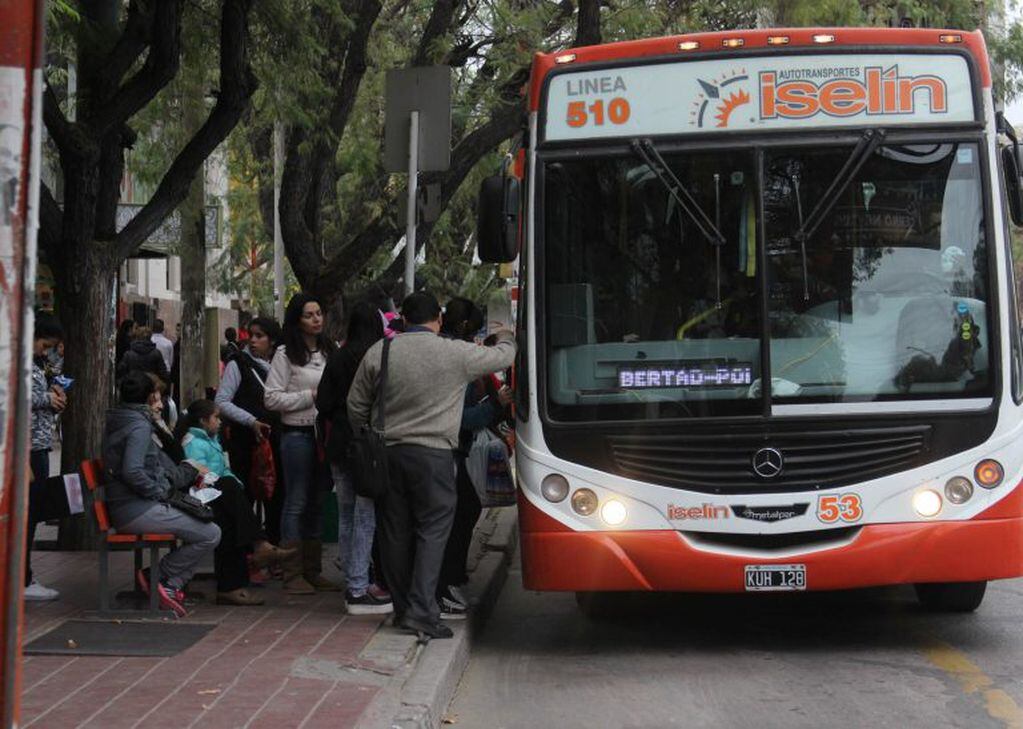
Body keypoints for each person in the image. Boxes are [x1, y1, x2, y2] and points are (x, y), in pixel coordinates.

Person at [348, 291, 516, 639]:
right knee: (433, 531)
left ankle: (403, 609)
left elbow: (355, 405)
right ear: (438, 320)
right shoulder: (453, 352)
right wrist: (506, 335)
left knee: (393, 532)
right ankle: (424, 611)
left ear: (404, 320)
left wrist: (373, 433)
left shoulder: (382, 350)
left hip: (389, 453)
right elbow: (504, 356)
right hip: (434, 456)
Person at [101, 371, 221, 617]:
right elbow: (133, 471)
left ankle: (163, 579)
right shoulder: (138, 426)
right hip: (136, 508)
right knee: (210, 533)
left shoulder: (122, 419)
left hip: (128, 505)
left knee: (202, 524)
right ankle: (163, 580)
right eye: (156, 397)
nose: (161, 403)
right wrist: (158, 493)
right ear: (148, 398)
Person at [435, 299, 514, 619]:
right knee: (456, 513)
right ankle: (444, 583)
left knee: (462, 509)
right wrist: (494, 404)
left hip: (446, 448)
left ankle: (449, 577)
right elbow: (461, 417)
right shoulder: (459, 357)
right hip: (443, 448)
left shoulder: (446, 351)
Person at [176, 399, 295, 605]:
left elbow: (224, 469)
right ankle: (257, 547)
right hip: (200, 497)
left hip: (216, 495)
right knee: (229, 511)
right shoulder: (193, 443)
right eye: (216, 418)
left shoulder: (212, 440)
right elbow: (197, 474)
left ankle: (237, 581)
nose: (220, 422)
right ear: (204, 421)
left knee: (233, 512)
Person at [316, 302, 392, 614]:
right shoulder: (379, 356)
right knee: (366, 515)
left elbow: (322, 401)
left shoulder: (338, 356)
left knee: (347, 514)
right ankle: (359, 587)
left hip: (339, 443)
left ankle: (351, 580)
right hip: (368, 446)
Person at [265, 293, 338, 594]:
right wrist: (309, 397)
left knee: (317, 502)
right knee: (295, 501)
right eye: (309, 315)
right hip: (296, 435)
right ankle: (292, 572)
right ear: (297, 320)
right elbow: (271, 397)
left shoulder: (329, 350)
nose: (316, 319)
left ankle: (313, 569)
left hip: (324, 435)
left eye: (319, 313)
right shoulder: (285, 354)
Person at [216, 317, 284, 543]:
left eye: (260, 336)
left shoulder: (280, 364)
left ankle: (273, 548)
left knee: (275, 497)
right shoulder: (238, 364)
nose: (253, 341)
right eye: (251, 335)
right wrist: (251, 421)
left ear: (272, 341)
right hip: (244, 443)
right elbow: (223, 402)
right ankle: (248, 552)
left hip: (274, 442)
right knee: (246, 496)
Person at [24, 313, 66, 601]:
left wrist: (55, 399)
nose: (45, 350)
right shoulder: (17, 363)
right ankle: (22, 578)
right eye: (44, 343)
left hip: (39, 444)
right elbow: (16, 398)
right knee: (28, 514)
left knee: (33, 513)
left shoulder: (37, 364)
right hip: (29, 447)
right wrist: (47, 399)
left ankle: (24, 574)